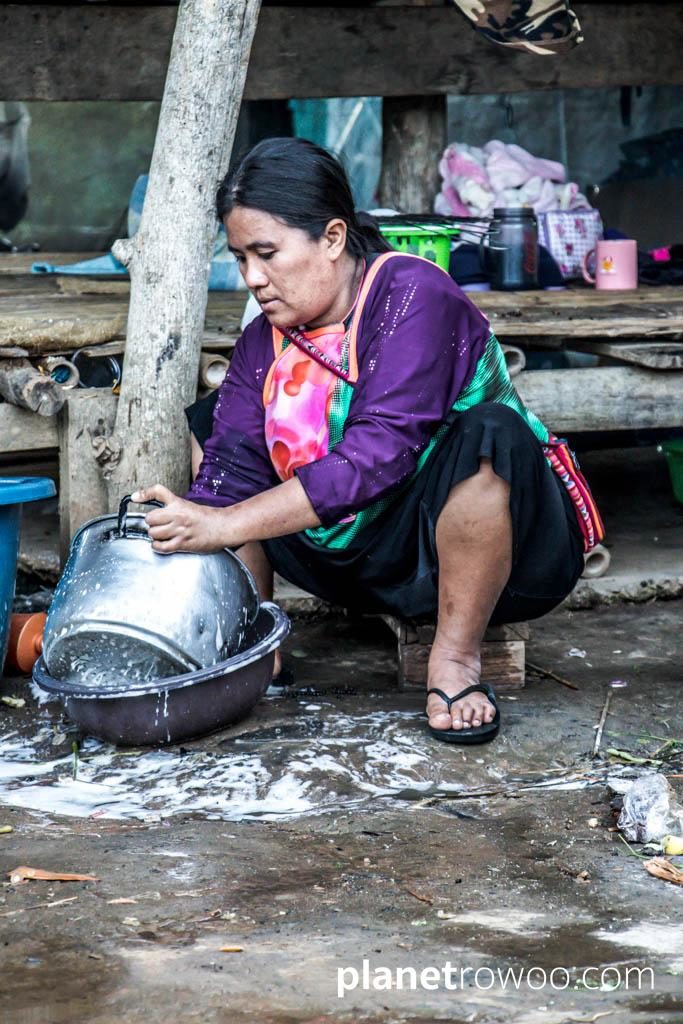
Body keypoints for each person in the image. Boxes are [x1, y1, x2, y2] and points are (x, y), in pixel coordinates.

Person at [133, 137, 602, 746]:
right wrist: (196, 519)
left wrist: (225, 524)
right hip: (354, 560)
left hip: (494, 550)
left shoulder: (412, 294)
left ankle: (454, 659)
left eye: (268, 253)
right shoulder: (262, 342)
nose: (252, 277)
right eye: (241, 256)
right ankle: (258, 647)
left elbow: (378, 456)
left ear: (331, 238)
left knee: (489, 435)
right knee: (214, 428)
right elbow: (230, 477)